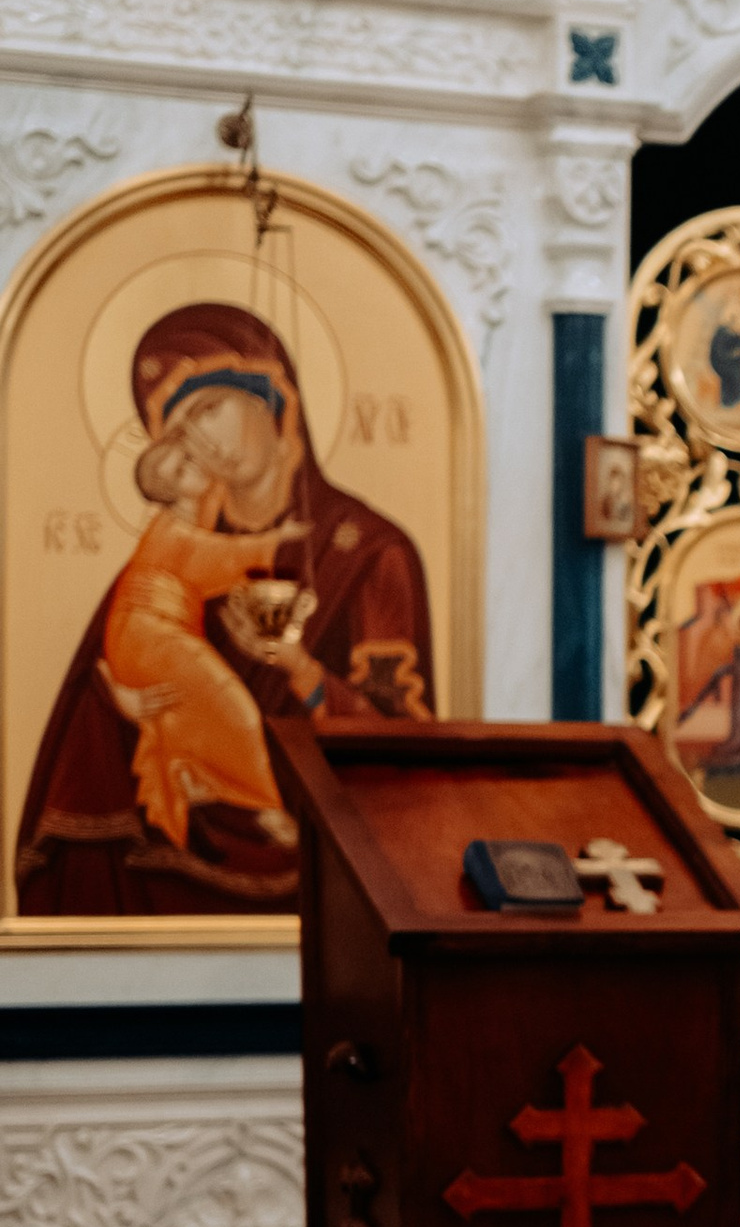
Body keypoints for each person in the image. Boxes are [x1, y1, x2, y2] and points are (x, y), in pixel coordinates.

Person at [16, 304, 434, 915]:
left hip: (333, 867)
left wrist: (299, 668)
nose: (204, 442)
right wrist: (117, 701)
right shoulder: (166, 561)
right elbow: (97, 696)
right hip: (168, 873)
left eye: (209, 409)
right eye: (181, 432)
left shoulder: (367, 553)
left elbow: (410, 748)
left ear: (273, 395)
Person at [102, 427, 306, 854]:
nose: (194, 466)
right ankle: (267, 806)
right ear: (170, 491)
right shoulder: (172, 530)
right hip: (147, 632)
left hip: (156, 632)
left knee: (196, 713)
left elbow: (212, 555)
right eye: (182, 468)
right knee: (236, 708)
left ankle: (192, 774)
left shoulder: (193, 515)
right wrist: (279, 539)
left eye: (188, 459)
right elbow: (221, 558)